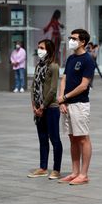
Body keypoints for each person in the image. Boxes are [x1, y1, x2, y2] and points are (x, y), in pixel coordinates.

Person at [57, 29, 95, 185]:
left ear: (82, 42)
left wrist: (65, 97)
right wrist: (61, 100)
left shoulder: (88, 60)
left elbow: (83, 86)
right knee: (72, 138)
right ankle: (75, 172)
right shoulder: (71, 58)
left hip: (80, 104)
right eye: (70, 37)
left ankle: (84, 174)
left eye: (74, 38)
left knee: (83, 138)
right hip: (67, 104)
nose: (70, 40)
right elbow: (64, 79)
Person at [28, 39, 63, 180]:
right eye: (38, 47)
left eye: (41, 47)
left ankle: (56, 169)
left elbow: (53, 90)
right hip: (38, 108)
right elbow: (33, 86)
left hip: (51, 108)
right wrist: (34, 106)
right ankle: (43, 167)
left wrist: (43, 106)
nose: (39, 50)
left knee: (54, 139)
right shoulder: (38, 66)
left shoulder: (54, 67)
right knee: (42, 138)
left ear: (49, 50)